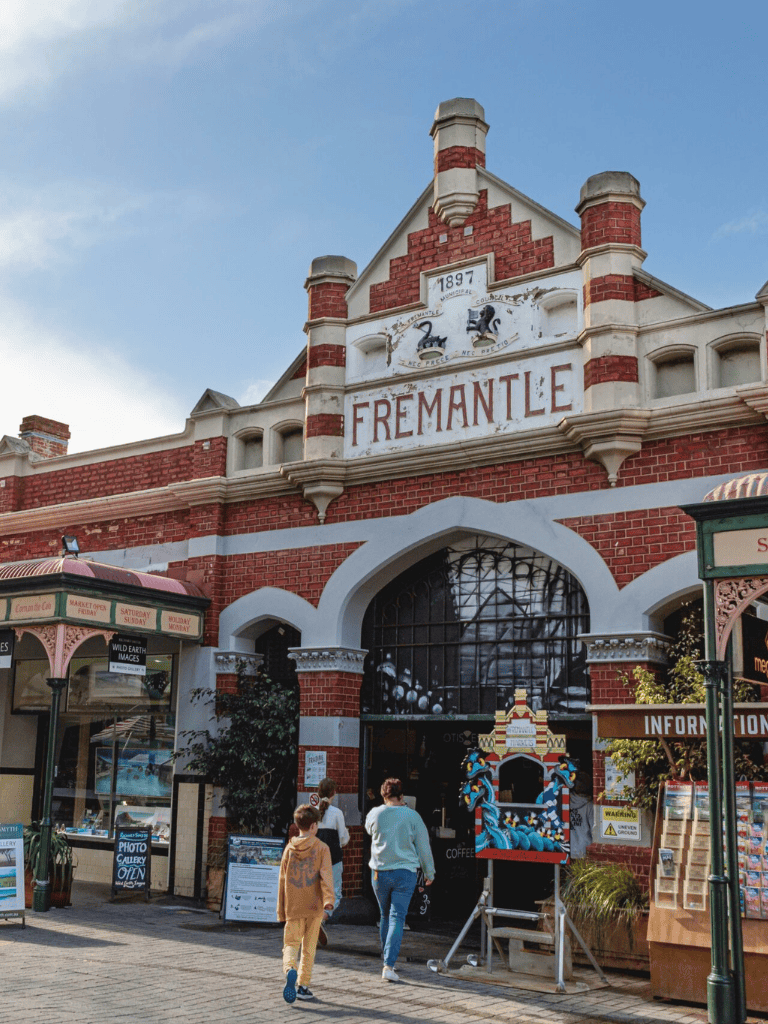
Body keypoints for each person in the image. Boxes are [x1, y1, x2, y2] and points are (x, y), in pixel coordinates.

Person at [365, 777, 435, 983]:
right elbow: (423, 846)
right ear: (402, 796)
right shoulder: (412, 816)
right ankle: (389, 964)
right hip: (405, 872)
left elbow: (369, 830)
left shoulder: (374, 814)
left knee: (385, 916)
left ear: (383, 794)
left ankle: (387, 960)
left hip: (379, 872)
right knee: (398, 917)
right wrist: (429, 872)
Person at [277, 804, 335, 1004]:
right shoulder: (322, 848)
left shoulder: (289, 848)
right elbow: (326, 876)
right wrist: (329, 900)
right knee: (309, 947)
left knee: (290, 944)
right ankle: (303, 986)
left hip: (293, 905)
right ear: (313, 826)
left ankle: (290, 969)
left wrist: (281, 908)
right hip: (315, 905)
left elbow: (282, 879)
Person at [316, 777, 349, 945]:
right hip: (333, 858)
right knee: (335, 892)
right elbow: (343, 839)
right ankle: (322, 917)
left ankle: (310, 919)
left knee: (315, 890)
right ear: (333, 793)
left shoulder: (311, 810)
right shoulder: (337, 813)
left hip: (315, 858)